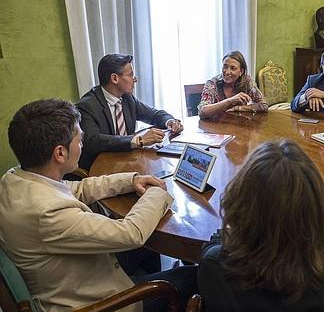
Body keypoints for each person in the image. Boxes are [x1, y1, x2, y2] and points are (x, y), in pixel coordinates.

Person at [0, 99, 196, 312]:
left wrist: (131, 180)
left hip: (75, 270)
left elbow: (77, 188)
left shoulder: (14, 179)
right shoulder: (47, 212)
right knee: (194, 276)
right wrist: (157, 193)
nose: (82, 144)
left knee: (149, 246)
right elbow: (130, 233)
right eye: (79, 139)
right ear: (60, 153)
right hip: (96, 300)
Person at [198, 139, 324, 311]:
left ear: (240, 202)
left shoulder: (215, 265)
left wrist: (236, 227)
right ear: (317, 204)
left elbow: (215, 244)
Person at [76, 53, 184, 171]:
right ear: (115, 78)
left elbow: (154, 114)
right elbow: (93, 141)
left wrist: (170, 121)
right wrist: (138, 140)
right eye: (131, 74)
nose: (135, 79)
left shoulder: (127, 98)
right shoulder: (87, 105)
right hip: (100, 169)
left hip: (127, 161)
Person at [198, 51, 268, 119]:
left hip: (237, 125)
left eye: (233, 68)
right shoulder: (212, 84)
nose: (227, 72)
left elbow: (264, 105)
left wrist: (239, 108)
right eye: (225, 67)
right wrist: (230, 100)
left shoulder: (247, 81)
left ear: (241, 71)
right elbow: (202, 112)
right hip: (215, 126)